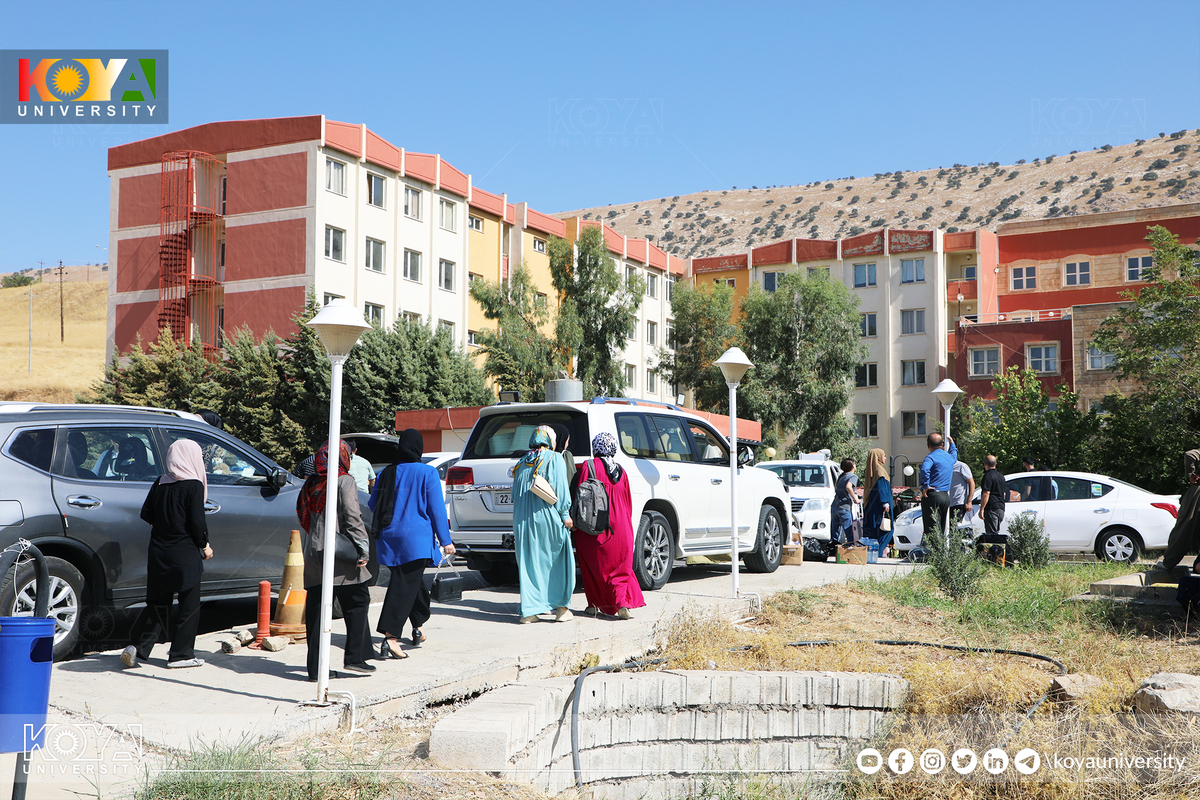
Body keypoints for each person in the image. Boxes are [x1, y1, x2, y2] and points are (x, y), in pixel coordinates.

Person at [121, 439, 213, 668]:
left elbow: (146, 513)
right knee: (188, 604)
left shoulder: (160, 482)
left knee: (157, 604)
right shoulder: (194, 485)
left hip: (159, 551)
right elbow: (197, 522)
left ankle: (138, 648)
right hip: (184, 552)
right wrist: (204, 545)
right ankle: (181, 655)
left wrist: (163, 524)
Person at [370, 429, 455, 658]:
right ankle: (390, 637)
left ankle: (418, 626)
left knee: (413, 583)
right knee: (402, 586)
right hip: (415, 539)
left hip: (389, 537)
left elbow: (372, 505)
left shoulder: (385, 473)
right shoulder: (427, 473)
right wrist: (446, 541)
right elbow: (436, 511)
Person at [297, 440, 375, 679]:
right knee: (358, 600)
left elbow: (301, 513)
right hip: (338, 552)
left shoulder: (311, 482)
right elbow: (353, 517)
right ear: (343, 457)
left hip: (313, 552)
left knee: (317, 611)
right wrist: (363, 549)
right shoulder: (344, 480)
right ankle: (355, 657)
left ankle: (316, 668)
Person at [571, 432, 646, 619]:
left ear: (595, 448)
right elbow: (628, 504)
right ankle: (622, 604)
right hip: (622, 528)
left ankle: (594, 603)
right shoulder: (622, 471)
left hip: (596, 525)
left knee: (594, 565)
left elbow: (581, 497)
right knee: (619, 568)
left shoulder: (590, 466)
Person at [511, 425, 574, 623]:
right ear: (550, 440)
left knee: (530, 565)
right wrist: (565, 514)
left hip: (522, 522)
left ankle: (529, 612)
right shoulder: (554, 458)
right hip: (547, 518)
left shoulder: (521, 463)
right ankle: (561, 609)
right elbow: (561, 489)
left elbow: (514, 495)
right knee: (558, 563)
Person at [1159, 449, 1200, 573]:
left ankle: (1169, 562)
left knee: (1184, 528)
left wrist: (1190, 474)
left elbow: (1190, 455)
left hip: (1197, 495)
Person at [919, 432, 957, 542]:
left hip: (933, 495)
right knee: (941, 527)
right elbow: (954, 456)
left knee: (932, 529)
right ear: (942, 445)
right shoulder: (949, 458)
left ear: (928, 445)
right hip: (945, 496)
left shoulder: (930, 458)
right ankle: (940, 553)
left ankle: (934, 556)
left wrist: (925, 485)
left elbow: (924, 469)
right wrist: (952, 444)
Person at [861, 448, 893, 555]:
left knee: (874, 530)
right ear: (878, 457)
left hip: (872, 505)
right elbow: (882, 487)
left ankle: (874, 553)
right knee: (886, 530)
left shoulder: (872, 470)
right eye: (883, 455)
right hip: (879, 506)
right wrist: (885, 502)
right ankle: (878, 552)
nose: (885, 458)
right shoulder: (880, 471)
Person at [978, 455, 1008, 544]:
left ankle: (994, 555)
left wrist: (982, 509)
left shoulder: (987, 476)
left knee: (991, 535)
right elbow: (1004, 493)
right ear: (996, 464)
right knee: (996, 532)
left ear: (985, 464)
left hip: (992, 507)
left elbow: (986, 493)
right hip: (1001, 507)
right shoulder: (1001, 477)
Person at [830, 458, 860, 546]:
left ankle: (834, 550)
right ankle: (850, 551)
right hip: (844, 506)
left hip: (835, 506)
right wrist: (856, 499)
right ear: (853, 466)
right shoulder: (852, 476)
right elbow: (848, 487)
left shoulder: (841, 476)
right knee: (849, 531)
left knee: (835, 532)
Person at [948, 452, 975, 523]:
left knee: (956, 528)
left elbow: (971, 483)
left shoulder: (961, 466)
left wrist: (969, 501)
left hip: (958, 502)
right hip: (947, 503)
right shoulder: (944, 467)